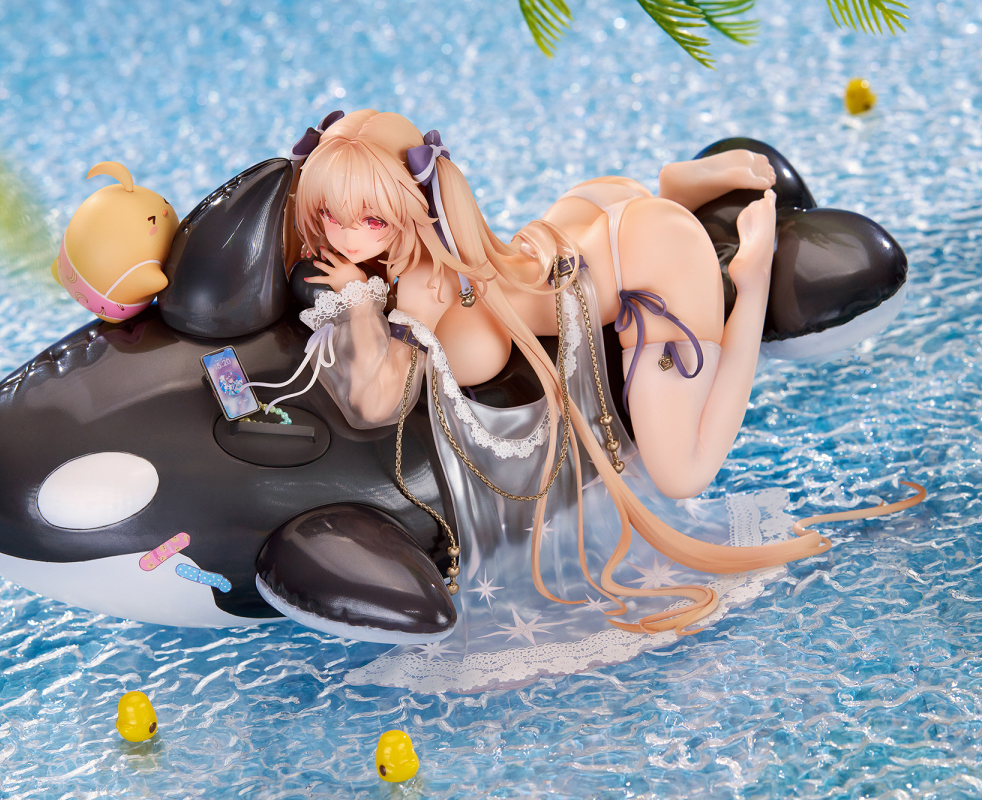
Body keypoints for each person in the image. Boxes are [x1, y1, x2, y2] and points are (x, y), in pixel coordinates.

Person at [285, 110, 916, 692]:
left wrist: (358, 303)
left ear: (415, 204)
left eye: (370, 220)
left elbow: (377, 402)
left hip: (652, 262)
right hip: (582, 225)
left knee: (682, 474)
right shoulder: (410, 254)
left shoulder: (427, 280)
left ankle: (749, 279)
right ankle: (674, 186)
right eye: (329, 216)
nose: (344, 236)